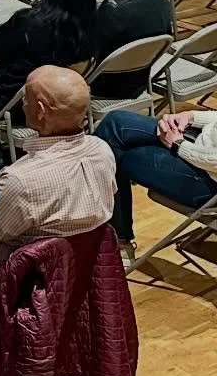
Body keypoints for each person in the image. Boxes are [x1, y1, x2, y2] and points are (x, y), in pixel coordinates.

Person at [0, 67, 116, 276]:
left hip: (23, 282)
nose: (23, 103)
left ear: (41, 111)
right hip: (85, 274)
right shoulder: (103, 150)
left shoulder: (20, 180)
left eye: (26, 96)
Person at [93, 105, 217, 266]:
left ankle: (118, 242)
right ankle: (94, 227)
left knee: (114, 156)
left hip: (209, 184)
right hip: (202, 143)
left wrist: (178, 145)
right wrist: (190, 116)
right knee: (115, 122)